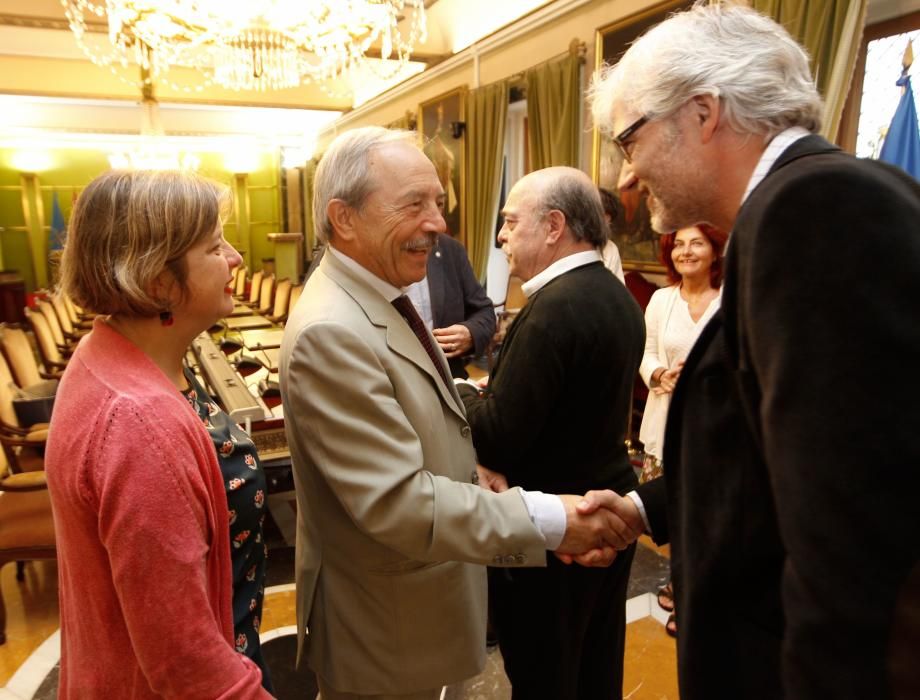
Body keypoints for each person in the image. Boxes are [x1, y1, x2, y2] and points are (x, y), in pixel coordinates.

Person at [586, 4, 920, 699]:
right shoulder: (797, 207)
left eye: (629, 140)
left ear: (702, 113)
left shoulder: (814, 210)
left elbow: (856, 543)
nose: (627, 175)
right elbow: (771, 456)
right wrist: (646, 509)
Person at [278, 126, 640, 700]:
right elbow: (398, 503)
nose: (439, 224)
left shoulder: (377, 298)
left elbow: (421, 407)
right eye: (415, 204)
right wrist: (553, 523)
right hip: (382, 632)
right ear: (344, 219)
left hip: (414, 611)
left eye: (438, 204)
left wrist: (476, 469)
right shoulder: (332, 330)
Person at [45, 170, 272, 698]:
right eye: (216, 247)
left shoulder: (110, 351)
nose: (236, 258)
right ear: (158, 282)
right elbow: (187, 665)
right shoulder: (137, 425)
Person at [457, 167, 644, 700]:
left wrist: (463, 391)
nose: (501, 235)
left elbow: (497, 436)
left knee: (544, 677)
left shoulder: (553, 308)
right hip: (604, 509)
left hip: (558, 539)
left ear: (555, 225)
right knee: (595, 669)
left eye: (511, 222)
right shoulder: (615, 294)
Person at [637, 224, 724, 636]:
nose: (686, 252)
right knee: (670, 508)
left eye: (697, 243)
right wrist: (658, 374)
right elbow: (646, 350)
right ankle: (678, 572)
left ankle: (693, 590)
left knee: (708, 509)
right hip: (666, 418)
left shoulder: (730, 299)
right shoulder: (660, 299)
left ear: (714, 249)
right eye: (679, 245)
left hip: (714, 424)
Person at [405, 231, 496, 378]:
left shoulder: (450, 249)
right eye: (416, 206)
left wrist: (470, 333)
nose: (439, 221)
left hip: (451, 381)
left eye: (440, 206)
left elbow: (484, 312)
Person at [597, 187, 625, 282]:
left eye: (608, 222)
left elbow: (618, 290)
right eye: (600, 217)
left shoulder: (611, 248)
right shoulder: (566, 243)